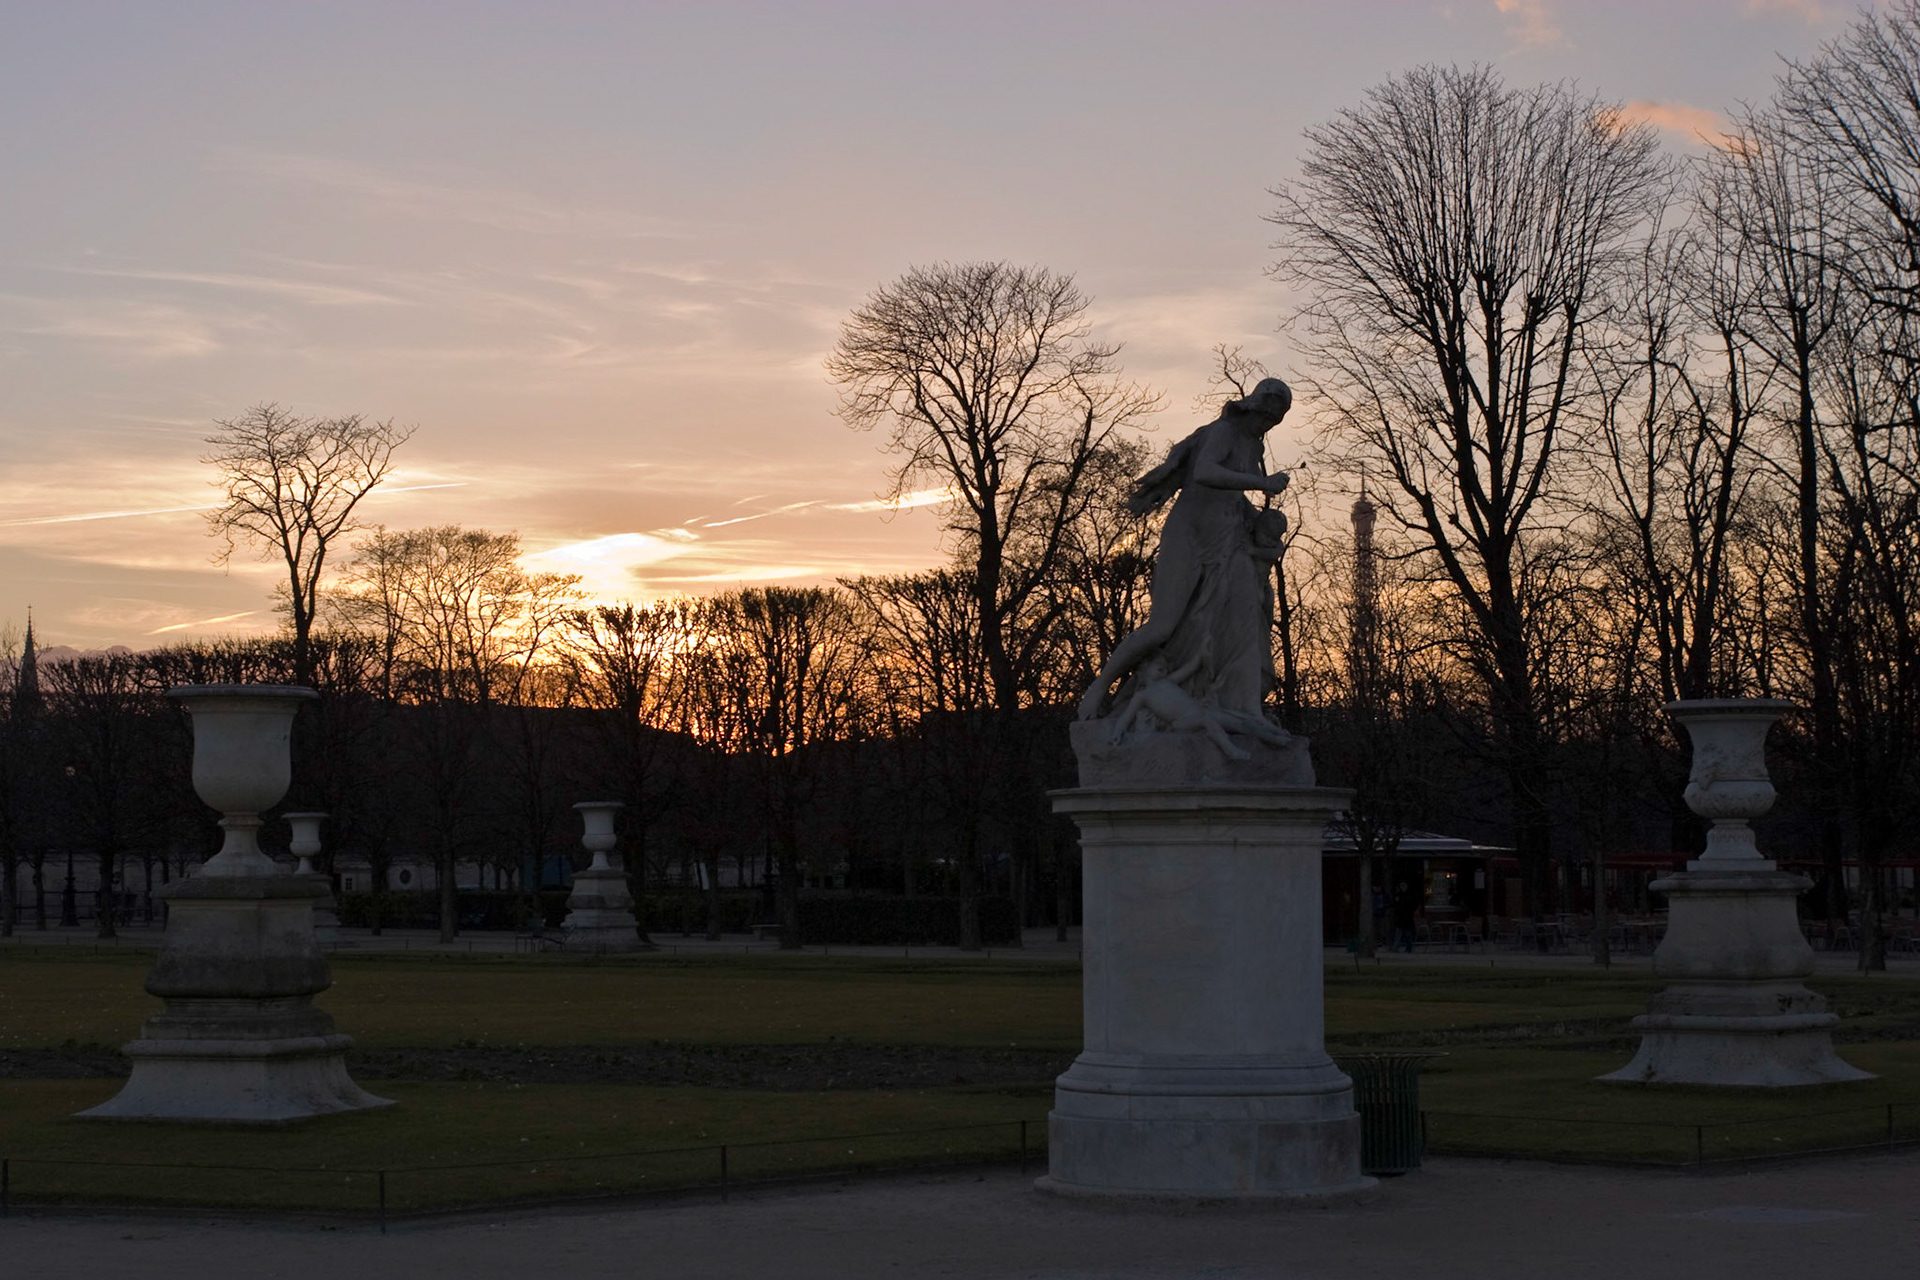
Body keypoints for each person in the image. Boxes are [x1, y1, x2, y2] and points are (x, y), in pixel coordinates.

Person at [1077, 377, 1294, 725]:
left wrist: (1261, 520)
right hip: (1190, 537)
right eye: (1265, 416)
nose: (1266, 425)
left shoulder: (1254, 446)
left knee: (1242, 618)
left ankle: (1233, 703)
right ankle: (1099, 688)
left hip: (1227, 537)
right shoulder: (1222, 431)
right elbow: (1206, 471)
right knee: (1163, 627)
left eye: (1273, 421)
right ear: (1253, 407)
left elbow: (1231, 496)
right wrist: (1262, 484)